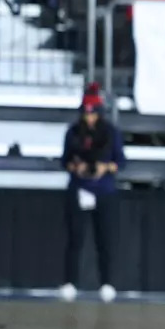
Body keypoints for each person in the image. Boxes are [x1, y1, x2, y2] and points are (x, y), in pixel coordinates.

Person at [59, 84, 125, 304]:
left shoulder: (111, 133)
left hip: (104, 191)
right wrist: (75, 167)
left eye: (93, 113)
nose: (89, 117)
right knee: (75, 238)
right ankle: (70, 282)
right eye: (86, 113)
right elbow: (64, 160)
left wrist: (104, 168)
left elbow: (120, 162)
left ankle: (107, 283)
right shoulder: (73, 132)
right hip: (79, 189)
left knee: (104, 239)